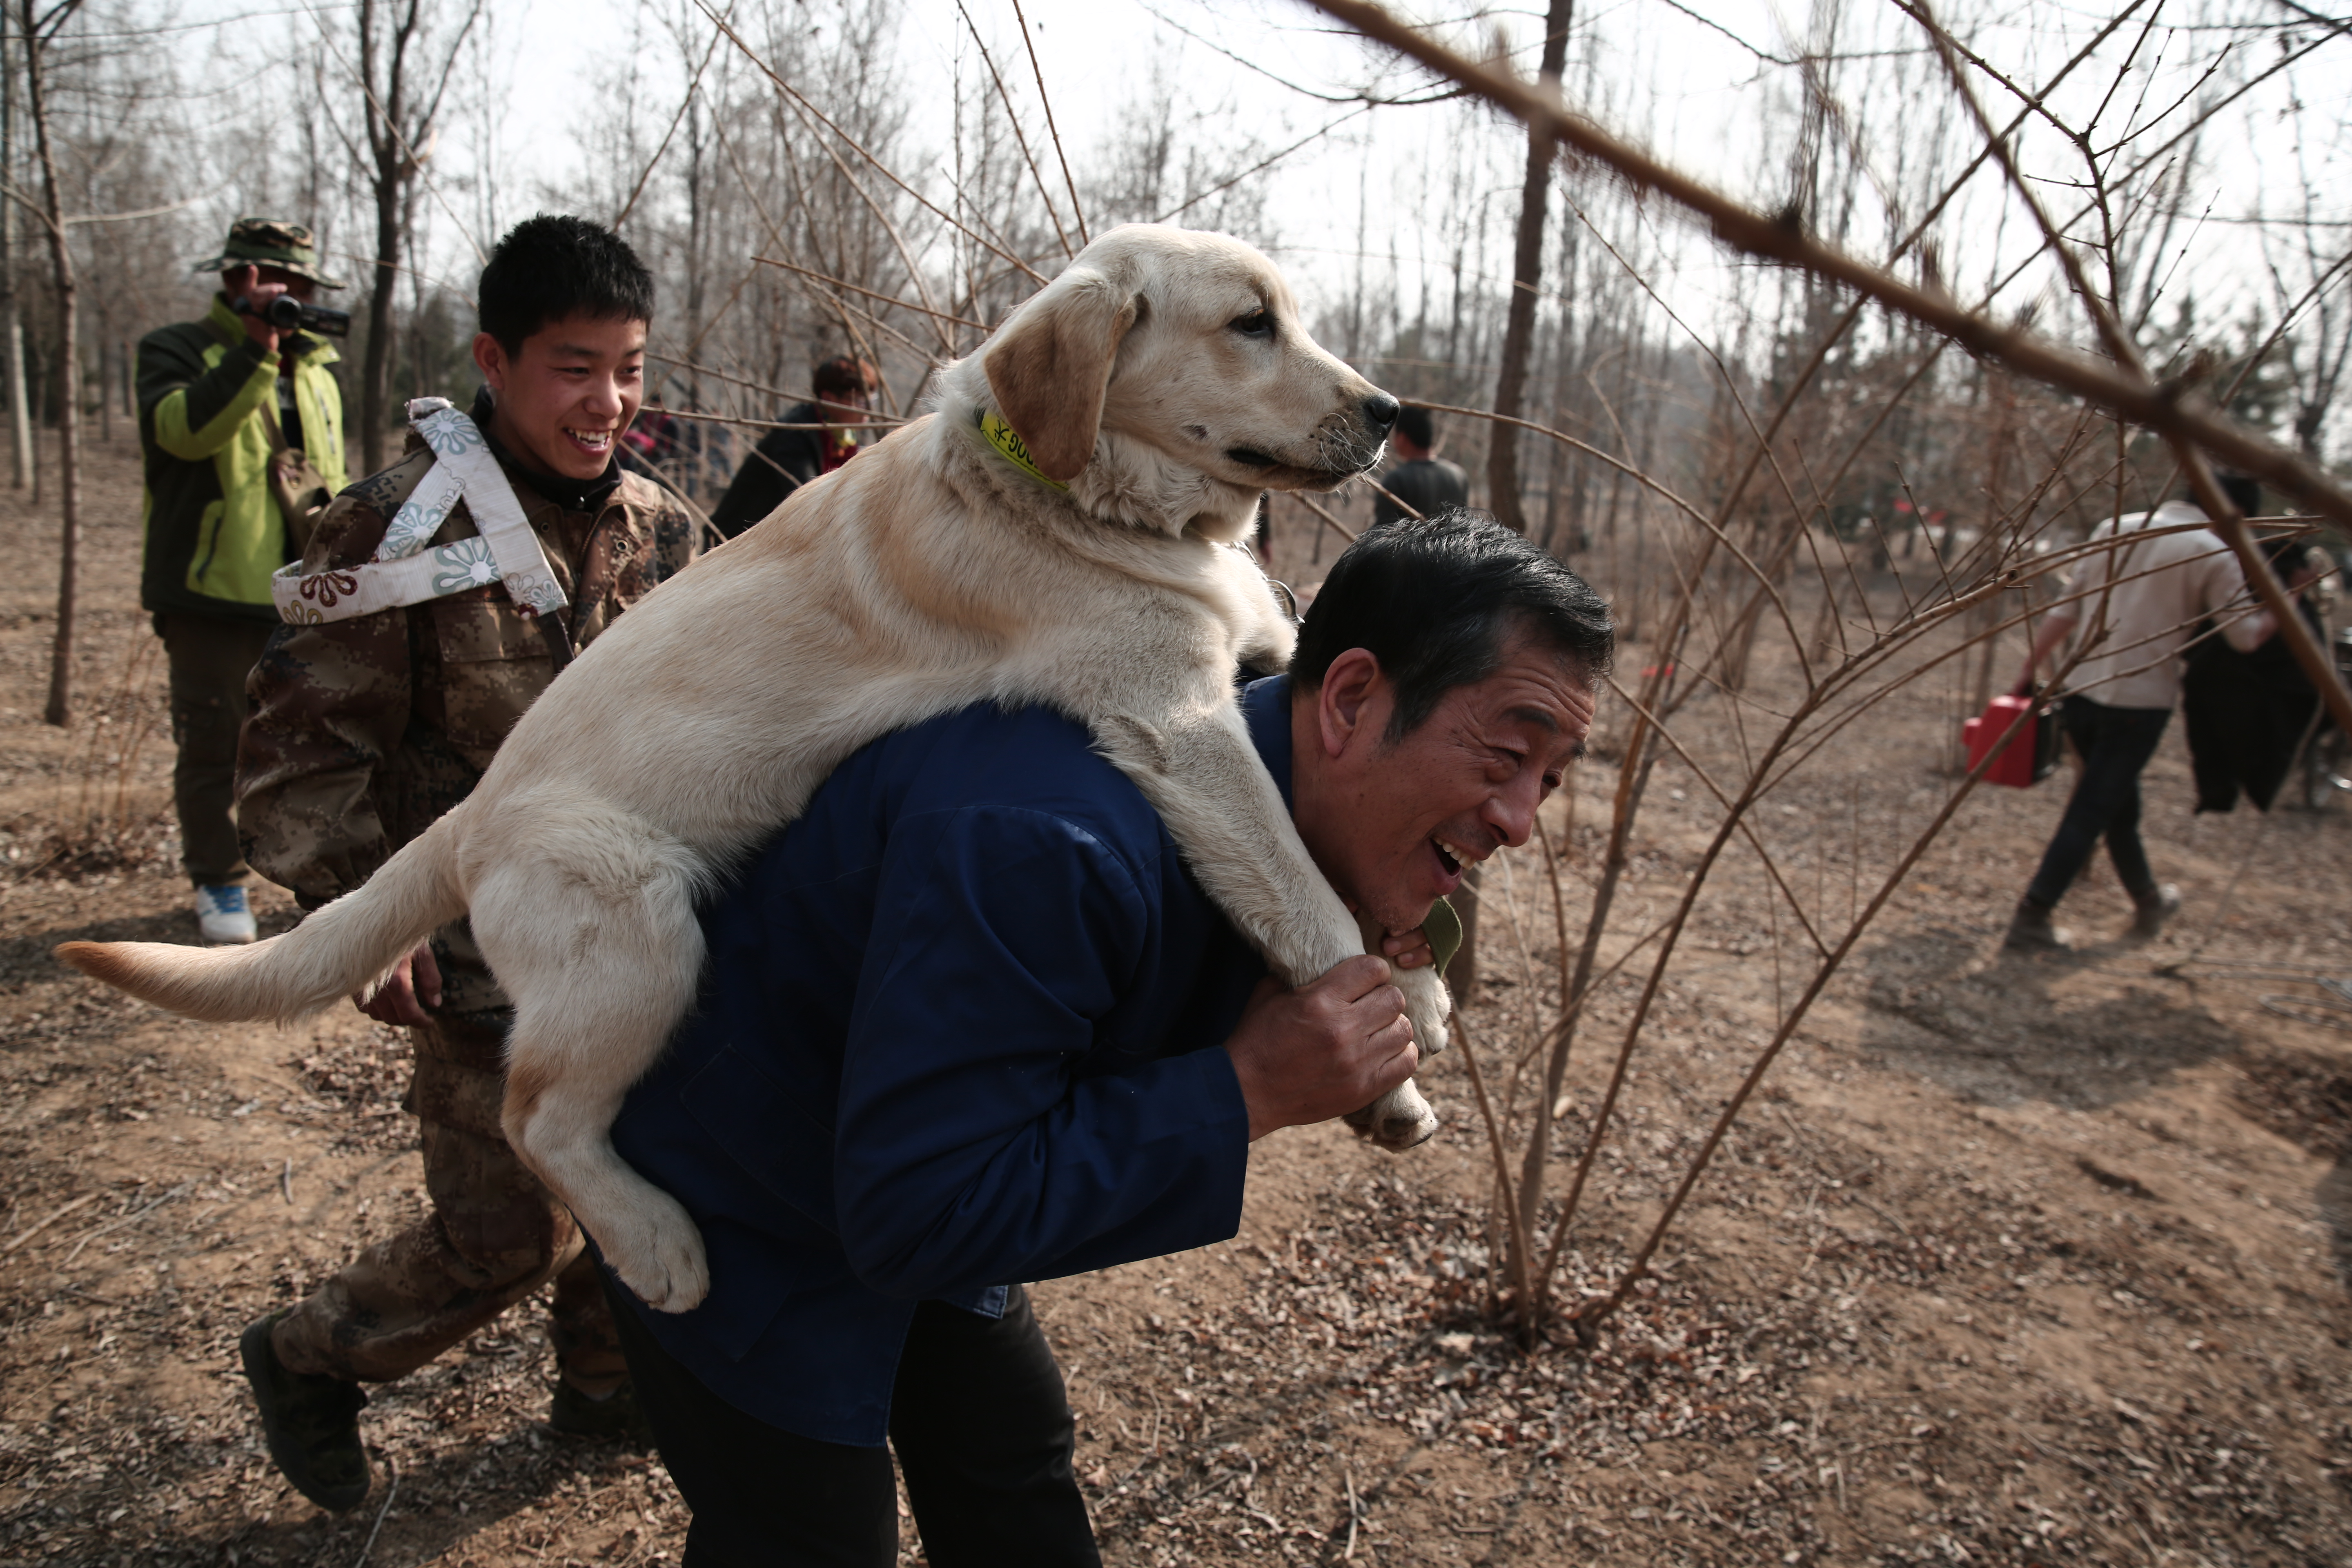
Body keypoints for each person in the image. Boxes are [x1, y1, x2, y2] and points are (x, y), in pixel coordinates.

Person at [599, 511, 1612, 1564]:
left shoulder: (1284, 819)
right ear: (1350, 699)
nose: (1518, 818)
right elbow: (918, 1209)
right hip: (733, 1167)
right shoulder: (1054, 840)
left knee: (1009, 1467)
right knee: (811, 1536)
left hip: (917, 1147)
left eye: (1550, 775)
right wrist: (1246, 1086)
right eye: (1503, 755)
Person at [229, 214, 702, 1512]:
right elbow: (294, 759)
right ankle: (306, 1351)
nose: (609, 402)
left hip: (636, 937)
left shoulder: (666, 532)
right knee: (502, 1238)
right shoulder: (393, 532)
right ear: (493, 359)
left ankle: (604, 1385)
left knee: (642, 1153)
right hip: (474, 955)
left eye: (630, 366)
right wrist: (362, 921)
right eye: (573, 366)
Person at [136, 218, 348, 944]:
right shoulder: (177, 351)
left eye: (299, 285)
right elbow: (183, 431)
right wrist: (256, 351)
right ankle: (219, 880)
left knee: (317, 739)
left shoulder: (317, 369)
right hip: (210, 596)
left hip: (307, 592)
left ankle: (306, 877)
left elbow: (333, 476)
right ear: (235, 281)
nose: (288, 296)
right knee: (214, 744)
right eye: (271, 282)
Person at [2005, 478, 2283, 950]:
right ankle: (2033, 914)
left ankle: (2149, 901)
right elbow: (2246, 637)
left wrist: (2031, 665)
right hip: (2139, 703)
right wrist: (2289, 601)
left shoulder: (2116, 527)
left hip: (2083, 691)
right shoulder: (2212, 553)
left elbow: (2067, 607)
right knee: (2093, 809)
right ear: (2235, 512)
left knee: (2117, 806)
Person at [706, 354, 878, 537]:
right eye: (859, 401)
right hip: (737, 545)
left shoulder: (844, 438)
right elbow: (808, 504)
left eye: (871, 400)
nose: (867, 410)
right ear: (829, 398)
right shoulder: (795, 435)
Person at [1370, 404, 1468, 530]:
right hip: (1454, 549)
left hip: (1412, 550)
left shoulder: (1397, 480)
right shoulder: (1459, 475)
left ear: (1402, 438)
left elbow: (1381, 534)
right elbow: (1465, 525)